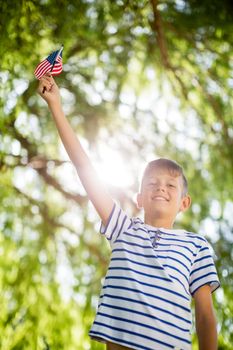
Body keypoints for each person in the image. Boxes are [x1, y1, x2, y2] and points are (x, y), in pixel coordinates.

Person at [38, 74, 220, 350]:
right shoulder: (123, 228)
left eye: (171, 185)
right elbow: (85, 169)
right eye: (152, 183)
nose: (161, 188)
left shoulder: (196, 246)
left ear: (184, 202)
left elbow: (205, 315)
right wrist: (56, 106)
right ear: (139, 198)